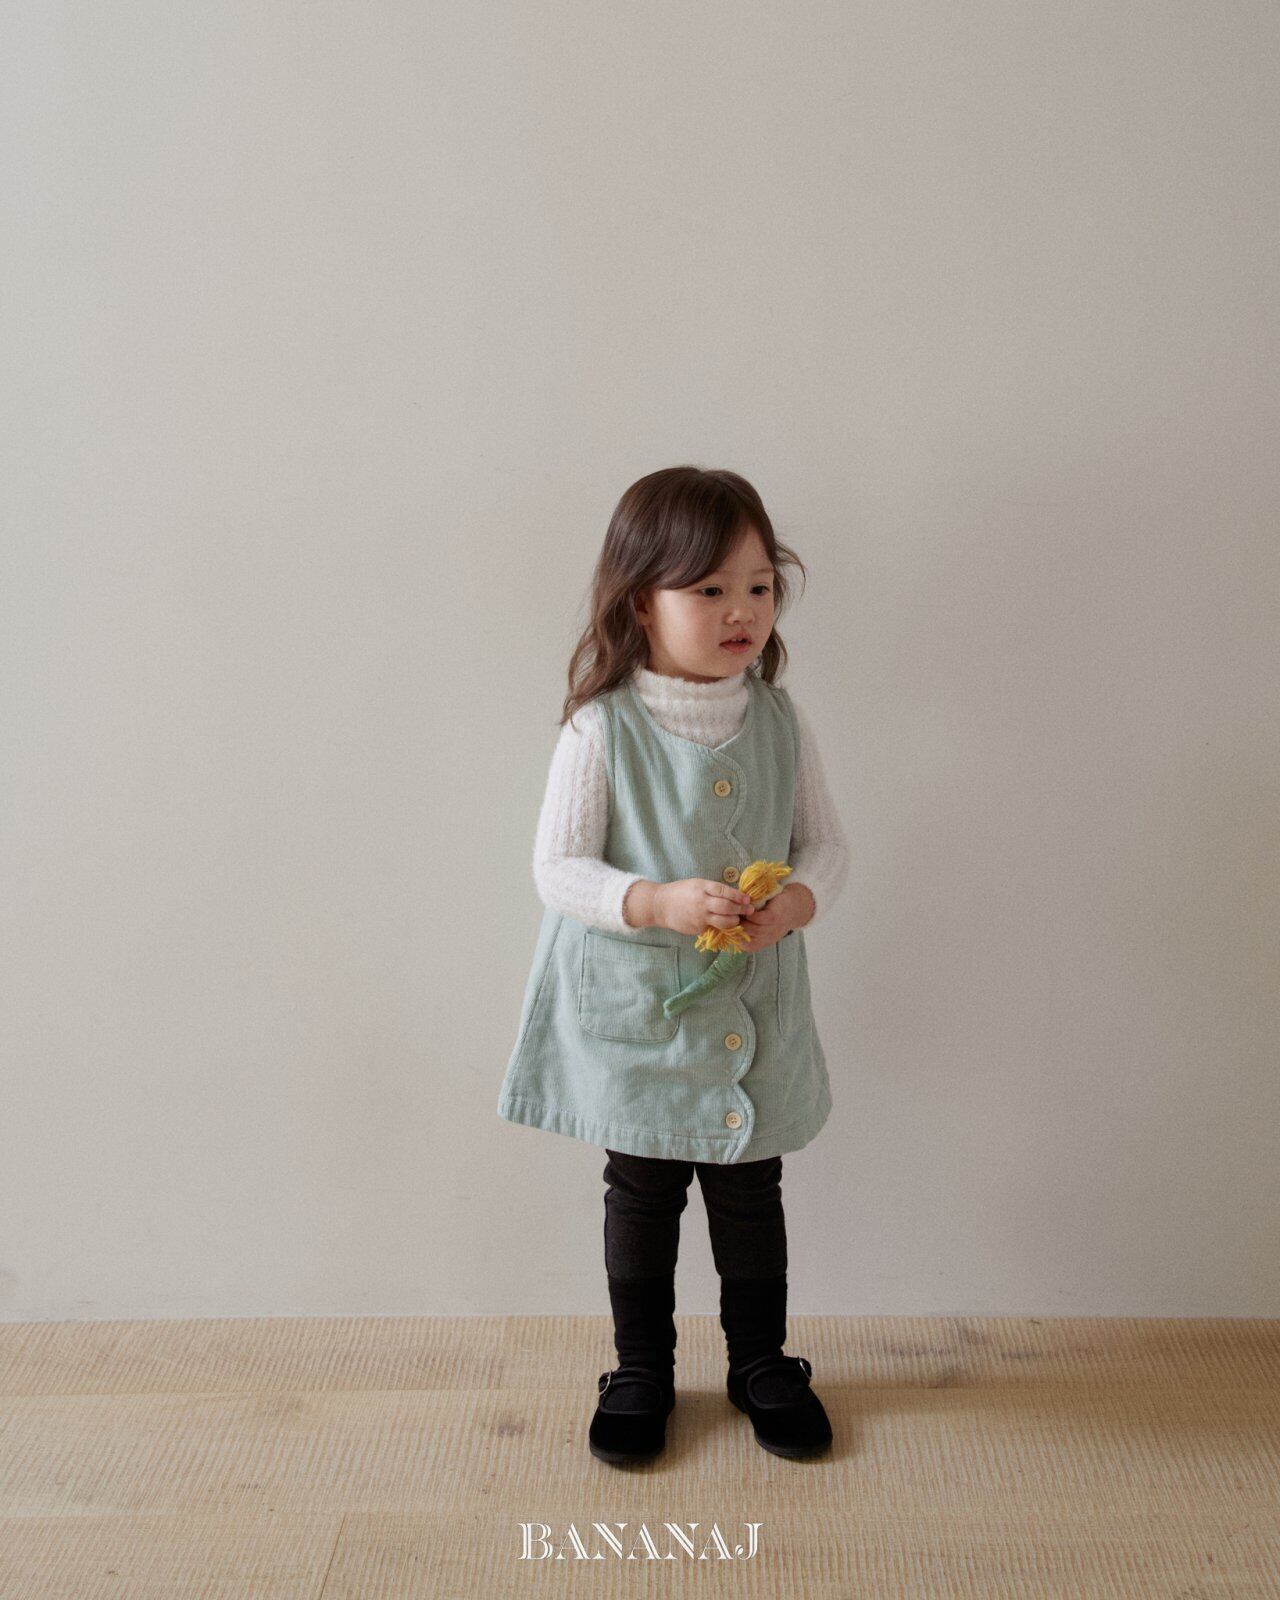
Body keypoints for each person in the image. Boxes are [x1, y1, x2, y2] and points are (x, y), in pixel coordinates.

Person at [496, 465, 849, 1465]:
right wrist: (653, 901)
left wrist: (794, 905)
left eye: (758, 585)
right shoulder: (601, 726)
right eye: (708, 589)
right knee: (643, 1189)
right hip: (637, 1014)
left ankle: (760, 1361)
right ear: (640, 602)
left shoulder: (779, 720)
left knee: (749, 1187)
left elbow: (826, 845)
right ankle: (640, 1367)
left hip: (749, 1006)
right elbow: (557, 868)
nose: (742, 610)